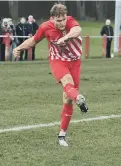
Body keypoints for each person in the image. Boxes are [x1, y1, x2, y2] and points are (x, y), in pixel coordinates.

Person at [13, 3, 88, 147]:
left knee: (67, 99)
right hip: (57, 61)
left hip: (75, 62)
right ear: (52, 18)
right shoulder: (45, 27)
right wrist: (19, 47)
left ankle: (62, 135)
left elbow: (77, 30)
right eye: (58, 21)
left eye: (63, 19)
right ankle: (79, 97)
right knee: (67, 82)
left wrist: (65, 38)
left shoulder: (70, 21)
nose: (62, 23)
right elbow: (33, 40)